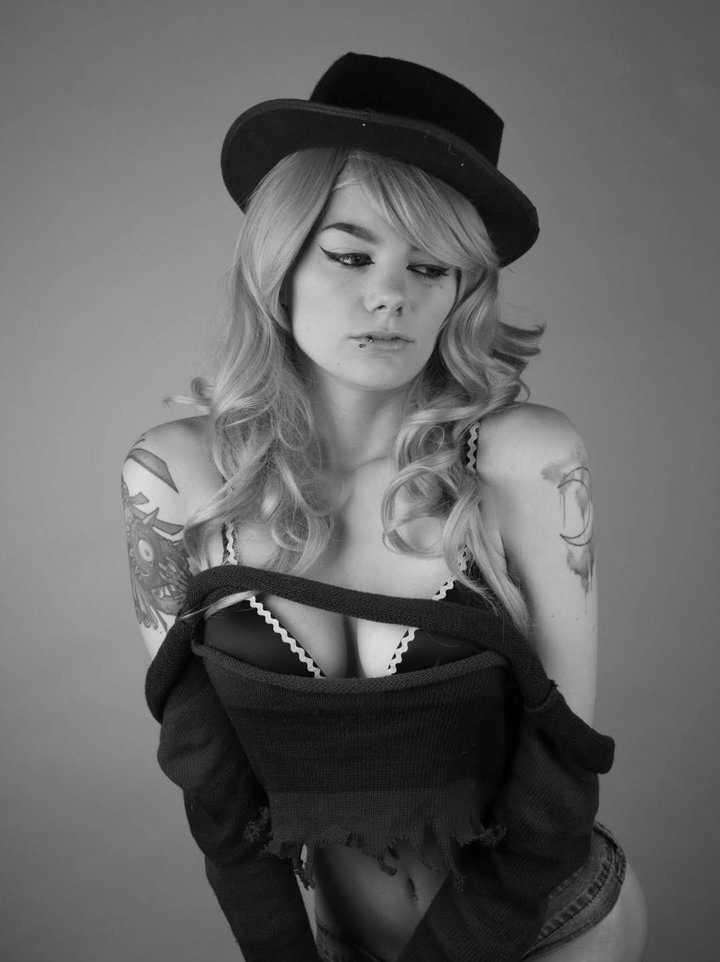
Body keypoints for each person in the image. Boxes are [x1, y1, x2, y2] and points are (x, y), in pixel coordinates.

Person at [122, 53, 648, 962]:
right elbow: (211, 784)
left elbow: (562, 775)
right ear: (282, 260)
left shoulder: (525, 458)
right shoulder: (173, 476)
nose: (390, 296)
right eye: (351, 254)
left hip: (544, 927)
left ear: (461, 291)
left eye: (431, 267)